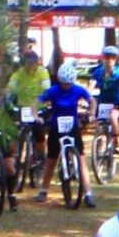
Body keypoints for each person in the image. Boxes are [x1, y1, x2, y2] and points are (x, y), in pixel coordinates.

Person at [37, 61, 94, 206]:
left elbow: (92, 100)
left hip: (72, 127)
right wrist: (35, 114)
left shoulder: (78, 89)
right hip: (56, 127)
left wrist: (91, 112)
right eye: (64, 83)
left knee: (81, 159)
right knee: (51, 160)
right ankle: (44, 190)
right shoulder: (53, 90)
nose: (66, 86)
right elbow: (37, 101)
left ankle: (88, 193)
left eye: (69, 84)